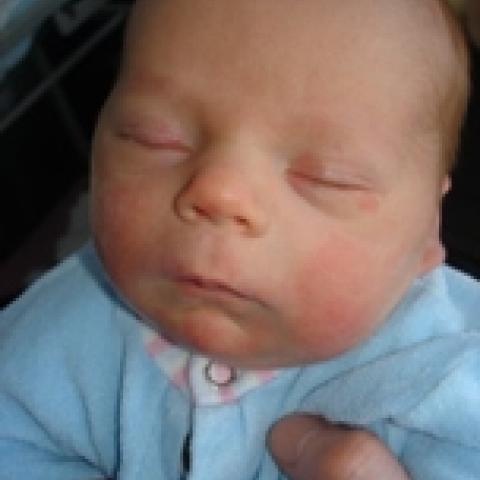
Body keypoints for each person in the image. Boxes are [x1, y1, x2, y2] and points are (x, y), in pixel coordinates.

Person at [0, 0, 475, 478]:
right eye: (154, 138)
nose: (219, 192)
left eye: (328, 176)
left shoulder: (444, 375)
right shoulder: (66, 323)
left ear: (428, 227)